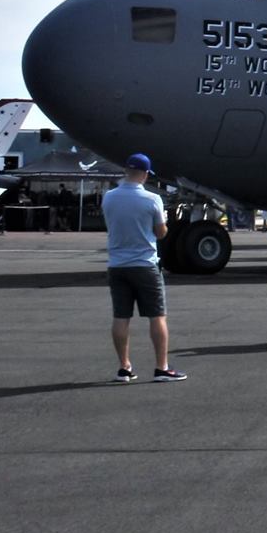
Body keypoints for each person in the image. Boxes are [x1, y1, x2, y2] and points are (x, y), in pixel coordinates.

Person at [102, 152, 185, 383]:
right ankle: (161, 367)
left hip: (117, 264)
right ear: (145, 174)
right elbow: (160, 232)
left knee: (121, 317)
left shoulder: (109, 197)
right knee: (157, 316)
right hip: (144, 263)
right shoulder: (152, 199)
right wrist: (163, 222)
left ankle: (124, 367)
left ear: (126, 170)